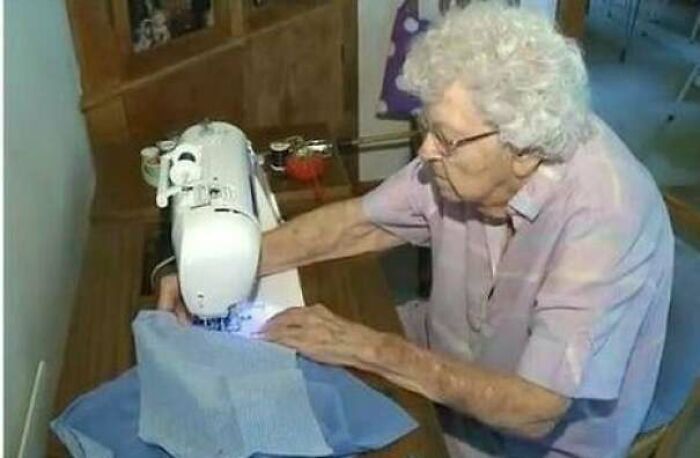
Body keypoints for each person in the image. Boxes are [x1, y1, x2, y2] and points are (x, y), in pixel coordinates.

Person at [157, 3, 674, 457]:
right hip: (445, 363)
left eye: (445, 139)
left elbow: (535, 408)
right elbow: (358, 224)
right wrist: (223, 266)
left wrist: (372, 349)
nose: (426, 152)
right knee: (291, 372)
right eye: (428, 129)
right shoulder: (463, 161)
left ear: (523, 151)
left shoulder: (608, 214)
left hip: (534, 443)